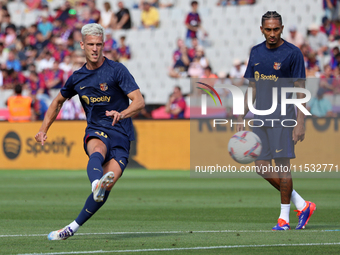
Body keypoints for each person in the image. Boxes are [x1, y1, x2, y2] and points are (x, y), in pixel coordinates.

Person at [35, 23, 145, 240]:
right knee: (97, 150)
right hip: (96, 130)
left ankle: (71, 228)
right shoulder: (77, 77)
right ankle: (96, 183)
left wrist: (122, 114)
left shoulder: (117, 70)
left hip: (122, 135)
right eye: (91, 45)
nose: (95, 49)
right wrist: (43, 129)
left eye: (99, 44)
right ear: (82, 45)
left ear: (103, 45)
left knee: (108, 187)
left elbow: (139, 102)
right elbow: (57, 102)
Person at [237, 11, 316, 231]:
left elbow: (301, 91)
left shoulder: (293, 53)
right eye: (268, 29)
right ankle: (302, 204)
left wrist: (300, 122)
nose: (272, 33)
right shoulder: (255, 52)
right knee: (261, 168)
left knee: (283, 168)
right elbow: (251, 89)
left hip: (284, 118)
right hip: (260, 118)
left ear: (282, 28)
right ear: (261, 29)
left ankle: (284, 219)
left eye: (276, 29)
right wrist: (240, 115)